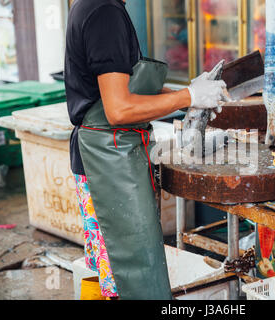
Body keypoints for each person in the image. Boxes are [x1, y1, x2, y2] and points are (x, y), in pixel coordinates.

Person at [64, 0, 228, 300]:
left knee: (124, 278)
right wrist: (188, 96)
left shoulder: (100, 6)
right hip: (107, 166)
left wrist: (188, 95)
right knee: (129, 280)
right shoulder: (104, 13)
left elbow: (125, 89)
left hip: (114, 157)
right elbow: (118, 108)